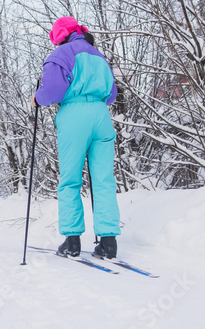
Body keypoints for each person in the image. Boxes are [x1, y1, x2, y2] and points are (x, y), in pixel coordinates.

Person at [31, 17, 121, 259]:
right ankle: (108, 243)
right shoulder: (99, 56)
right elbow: (111, 94)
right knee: (103, 180)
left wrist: (37, 99)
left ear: (59, 36)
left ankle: (72, 242)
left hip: (74, 115)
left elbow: (52, 91)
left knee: (70, 180)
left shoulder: (61, 55)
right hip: (101, 116)